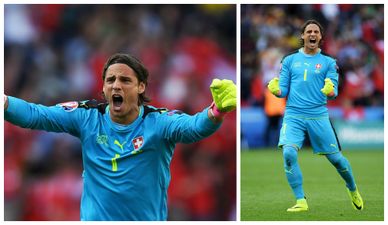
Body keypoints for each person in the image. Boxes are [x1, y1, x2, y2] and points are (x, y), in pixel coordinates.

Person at [4, 53, 236, 220]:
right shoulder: (87, 117)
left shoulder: (158, 122)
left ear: (141, 87)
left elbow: (193, 127)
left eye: (125, 80)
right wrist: (4, 101)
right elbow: (36, 115)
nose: (117, 86)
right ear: (103, 87)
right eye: (110, 80)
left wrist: (215, 112)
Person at [267, 20, 363, 212]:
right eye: (308, 31)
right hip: (293, 115)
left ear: (320, 37)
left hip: (318, 116)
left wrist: (330, 90)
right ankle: (301, 201)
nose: (312, 34)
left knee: (337, 160)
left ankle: (352, 188)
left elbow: (334, 90)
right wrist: (276, 90)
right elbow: (283, 90)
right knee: (288, 153)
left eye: (316, 32)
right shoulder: (289, 60)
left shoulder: (329, 62)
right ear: (302, 36)